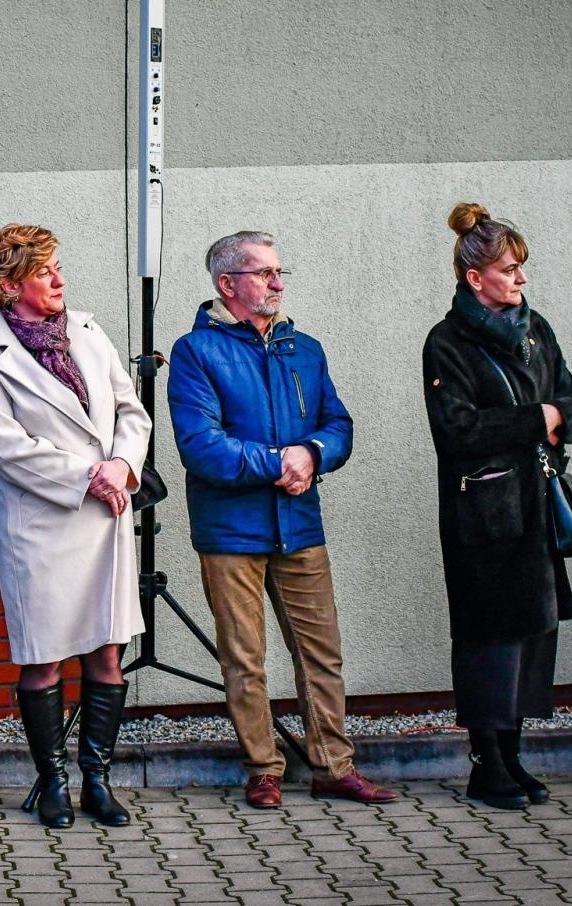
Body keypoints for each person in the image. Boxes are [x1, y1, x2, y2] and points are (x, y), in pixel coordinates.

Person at [166, 231, 397, 810]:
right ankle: (263, 769)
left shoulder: (305, 349)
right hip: (230, 533)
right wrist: (280, 461)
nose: (277, 282)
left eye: (278, 272)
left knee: (322, 653)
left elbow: (338, 424)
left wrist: (314, 452)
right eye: (264, 273)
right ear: (228, 285)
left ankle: (332, 766)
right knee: (245, 658)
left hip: (299, 524)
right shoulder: (196, 352)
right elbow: (202, 447)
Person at [0, 224, 150, 829]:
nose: (60, 279)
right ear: (10, 286)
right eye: (45, 272)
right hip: (43, 523)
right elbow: (6, 447)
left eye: (58, 267)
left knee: (107, 653)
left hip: (107, 514)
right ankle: (53, 780)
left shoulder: (89, 331)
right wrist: (87, 475)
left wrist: (122, 464)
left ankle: (97, 778)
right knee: (43, 658)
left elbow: (128, 408)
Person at [421, 203, 572, 809]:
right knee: (489, 635)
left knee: (533, 631)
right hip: (483, 515)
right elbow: (457, 430)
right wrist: (535, 419)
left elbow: (571, 394)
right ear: (475, 278)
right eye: (510, 269)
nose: (521, 280)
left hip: (538, 503)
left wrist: (559, 415)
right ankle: (486, 761)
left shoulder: (535, 328)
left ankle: (514, 753)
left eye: (521, 268)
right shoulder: (447, 342)